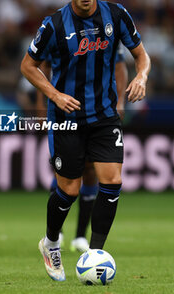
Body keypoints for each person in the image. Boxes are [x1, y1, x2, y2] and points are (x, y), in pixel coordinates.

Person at [21, 0, 151, 282]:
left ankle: (96, 253)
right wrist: (54, 95)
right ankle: (51, 242)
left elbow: (140, 56)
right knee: (69, 189)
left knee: (112, 181)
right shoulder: (54, 25)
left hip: (105, 115)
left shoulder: (117, 15)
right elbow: (27, 66)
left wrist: (142, 77)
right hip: (68, 116)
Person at [38, 47, 128, 253]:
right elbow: (39, 66)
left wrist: (120, 101)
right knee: (67, 178)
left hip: (99, 115)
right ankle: (55, 233)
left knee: (91, 173)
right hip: (66, 113)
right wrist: (40, 102)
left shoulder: (109, 26)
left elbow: (120, 66)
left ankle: (80, 235)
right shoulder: (58, 29)